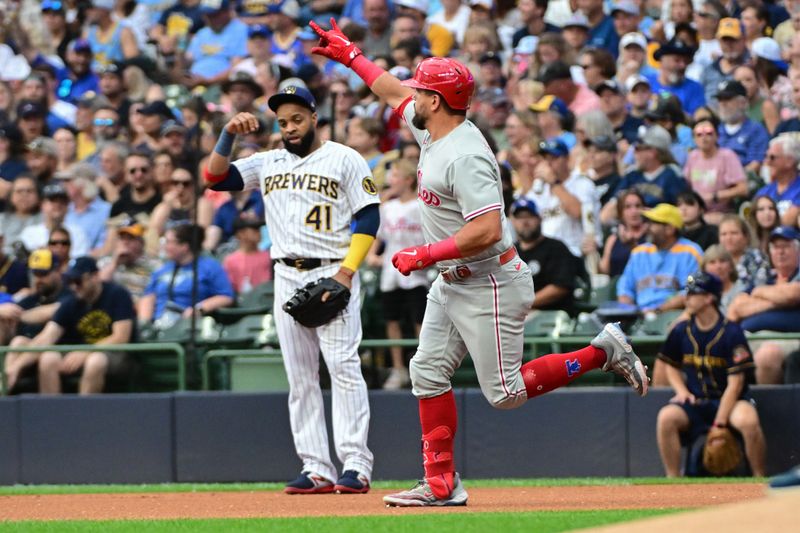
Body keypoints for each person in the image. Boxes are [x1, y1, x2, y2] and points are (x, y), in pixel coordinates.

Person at [308, 19, 649, 507]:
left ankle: (601, 352)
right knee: (426, 373)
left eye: (421, 88)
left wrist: (425, 253)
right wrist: (350, 55)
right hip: (454, 282)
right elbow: (389, 92)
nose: (413, 93)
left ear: (438, 101)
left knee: (504, 393)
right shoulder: (434, 131)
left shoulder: (465, 153)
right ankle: (441, 482)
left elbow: (486, 229)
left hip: (490, 279)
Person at [204, 84, 378, 495]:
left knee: (343, 367)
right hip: (286, 274)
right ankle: (316, 466)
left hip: (332, 269)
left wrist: (347, 273)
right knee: (300, 377)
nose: (290, 127)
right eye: (282, 121)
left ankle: (356, 463)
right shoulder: (268, 161)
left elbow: (368, 218)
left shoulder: (345, 158)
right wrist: (228, 134)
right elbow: (215, 178)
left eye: (297, 118)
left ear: (314, 117)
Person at [656, 271, 766, 477]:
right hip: (697, 401)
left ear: (709, 298)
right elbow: (669, 363)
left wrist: (719, 422)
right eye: (687, 293)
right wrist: (681, 390)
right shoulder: (681, 330)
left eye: (694, 293)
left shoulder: (731, 332)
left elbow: (736, 384)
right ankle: (672, 479)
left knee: (748, 422)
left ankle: (759, 477)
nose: (687, 298)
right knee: (666, 417)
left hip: (730, 401)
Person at [18, 256, 136, 394]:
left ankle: (84, 413)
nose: (74, 286)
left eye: (78, 281)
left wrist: (86, 351)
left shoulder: (117, 294)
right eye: (69, 281)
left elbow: (120, 337)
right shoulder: (71, 301)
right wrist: (15, 367)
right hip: (79, 352)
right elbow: (47, 337)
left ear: (95, 276)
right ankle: (50, 412)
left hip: (116, 354)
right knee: (48, 358)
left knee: (95, 361)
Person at [727, 226, 800, 384]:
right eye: (775, 248)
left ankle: (768, 408)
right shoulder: (765, 280)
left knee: (768, 354)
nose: (780, 252)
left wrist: (759, 293)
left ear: (797, 250)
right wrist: (778, 301)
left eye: (785, 247)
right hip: (748, 337)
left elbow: (792, 294)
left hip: (787, 338)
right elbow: (736, 307)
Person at [3, 249, 72, 393]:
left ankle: (50, 412)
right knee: (18, 341)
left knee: (47, 357)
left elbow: (57, 309)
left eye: (43, 274)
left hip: (62, 351)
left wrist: (19, 315)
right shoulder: (31, 299)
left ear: (58, 270)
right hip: (29, 355)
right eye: (35, 274)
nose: (38, 279)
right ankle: (5, 397)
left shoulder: (69, 294)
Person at [138, 224, 234, 327]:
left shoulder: (210, 266)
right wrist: (144, 324)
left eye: (169, 242)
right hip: (158, 324)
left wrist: (199, 308)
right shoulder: (162, 269)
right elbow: (148, 297)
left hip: (190, 325)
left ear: (184, 246)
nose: (165, 247)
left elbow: (226, 296)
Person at [617, 203, 703, 312]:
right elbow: (625, 289)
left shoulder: (691, 252)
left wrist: (658, 310)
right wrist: (629, 311)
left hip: (674, 315)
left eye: (654, 223)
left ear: (670, 229)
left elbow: (692, 291)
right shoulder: (639, 252)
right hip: (638, 316)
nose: (648, 227)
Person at [512, 198, 578, 314]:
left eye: (529, 216)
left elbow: (560, 287)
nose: (525, 222)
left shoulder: (556, 248)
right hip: (518, 314)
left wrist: (523, 305)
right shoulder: (510, 252)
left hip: (552, 315)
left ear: (540, 218)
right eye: (520, 217)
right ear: (513, 221)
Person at [683, 117, 747, 224]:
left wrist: (715, 197)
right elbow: (686, 185)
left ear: (717, 136)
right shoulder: (692, 156)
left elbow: (743, 189)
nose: (704, 138)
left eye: (709, 133)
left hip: (722, 213)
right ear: (694, 139)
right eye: (699, 135)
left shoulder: (727, 156)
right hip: (697, 212)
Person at [715, 80, 769, 174]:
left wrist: (733, 179)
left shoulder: (755, 130)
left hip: (743, 182)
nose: (723, 104)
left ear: (743, 102)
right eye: (720, 99)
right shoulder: (716, 130)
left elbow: (756, 164)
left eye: (727, 99)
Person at [598, 189, 648, 277]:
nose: (634, 211)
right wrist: (592, 253)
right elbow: (604, 271)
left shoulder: (651, 236)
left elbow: (650, 265)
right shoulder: (613, 239)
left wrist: (632, 245)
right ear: (621, 213)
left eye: (638, 206)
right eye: (627, 207)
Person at [754, 135, 800, 227]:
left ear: (789, 161)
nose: (767, 162)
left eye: (772, 157)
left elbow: (789, 221)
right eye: (766, 157)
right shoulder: (763, 192)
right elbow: (752, 222)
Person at [222, 216, 273, 295]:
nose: (259, 232)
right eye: (255, 229)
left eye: (259, 229)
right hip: (242, 304)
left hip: (266, 302)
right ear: (241, 233)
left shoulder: (269, 257)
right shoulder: (231, 260)